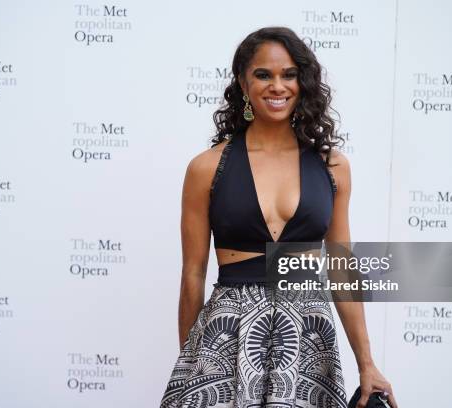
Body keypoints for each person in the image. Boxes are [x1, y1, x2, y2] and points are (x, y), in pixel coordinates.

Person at [160, 26, 397, 408]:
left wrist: (367, 364)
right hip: (228, 332)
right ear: (242, 81)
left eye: (289, 74)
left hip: (307, 334)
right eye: (263, 74)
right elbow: (193, 273)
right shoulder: (206, 168)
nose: (277, 86)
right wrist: (191, 362)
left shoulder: (333, 166)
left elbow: (340, 267)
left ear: (303, 82)